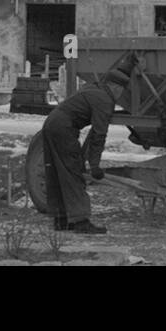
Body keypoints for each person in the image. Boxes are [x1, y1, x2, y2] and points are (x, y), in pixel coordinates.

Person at [38, 66, 131, 234]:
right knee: (73, 172)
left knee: (57, 173)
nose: (120, 95)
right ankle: (81, 222)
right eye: (121, 90)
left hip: (52, 123)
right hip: (64, 127)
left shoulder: (94, 89)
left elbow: (93, 134)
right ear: (115, 87)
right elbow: (98, 134)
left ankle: (61, 219)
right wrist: (94, 165)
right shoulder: (104, 100)